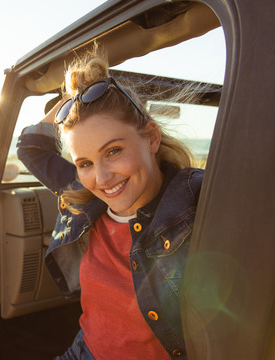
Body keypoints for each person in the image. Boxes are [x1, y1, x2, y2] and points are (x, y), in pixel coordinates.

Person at [16, 47, 203, 360]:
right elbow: (32, 147)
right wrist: (76, 97)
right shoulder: (85, 195)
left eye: (114, 151)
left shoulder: (191, 197)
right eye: (85, 162)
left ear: (152, 138)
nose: (101, 178)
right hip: (85, 350)